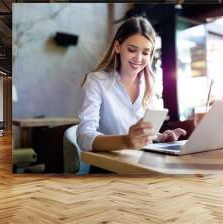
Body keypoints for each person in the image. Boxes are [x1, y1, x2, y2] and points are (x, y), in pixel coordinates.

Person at [77, 16, 186, 152]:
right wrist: (125, 141)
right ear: (117, 47)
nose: (138, 58)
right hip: (108, 165)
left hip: (141, 161)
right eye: (132, 50)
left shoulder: (148, 84)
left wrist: (160, 137)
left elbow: (140, 134)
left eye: (146, 52)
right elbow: (83, 137)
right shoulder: (96, 81)